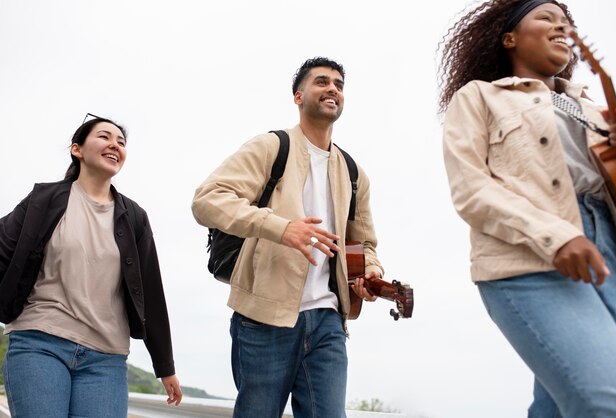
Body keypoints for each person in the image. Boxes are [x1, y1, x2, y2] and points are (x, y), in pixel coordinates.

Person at [439, 1, 616, 417]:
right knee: (609, 401)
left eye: (568, 22)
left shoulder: (595, 110)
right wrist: (558, 236)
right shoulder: (479, 97)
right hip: (529, 260)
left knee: (560, 406)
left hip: (612, 254)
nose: (562, 26)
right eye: (546, 18)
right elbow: (471, 189)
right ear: (509, 38)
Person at [192, 57, 383, 418]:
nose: (332, 89)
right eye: (322, 82)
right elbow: (207, 199)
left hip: (328, 319)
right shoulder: (270, 147)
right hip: (265, 316)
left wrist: (368, 272)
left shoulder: (354, 172)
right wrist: (281, 227)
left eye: (339, 85)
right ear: (298, 96)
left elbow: (364, 243)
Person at [0, 115, 183, 417]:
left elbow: (150, 293)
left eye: (121, 142)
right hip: (39, 342)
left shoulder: (134, 217)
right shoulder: (44, 200)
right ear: (77, 149)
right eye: (104, 137)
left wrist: (165, 367)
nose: (114, 145)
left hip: (105, 359)